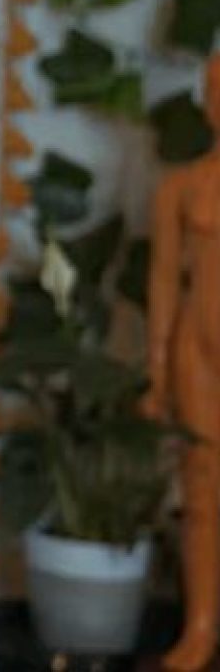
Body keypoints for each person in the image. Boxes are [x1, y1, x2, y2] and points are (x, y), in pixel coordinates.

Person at [145, 54, 220, 672]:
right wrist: (156, 370)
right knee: (199, 488)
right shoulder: (182, 188)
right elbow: (164, 283)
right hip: (197, 348)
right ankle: (199, 625)